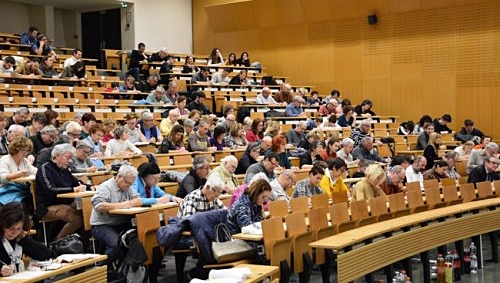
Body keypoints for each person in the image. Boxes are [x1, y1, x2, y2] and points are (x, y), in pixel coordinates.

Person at [90, 165, 142, 266]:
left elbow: (138, 199)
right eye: (127, 183)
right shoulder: (106, 187)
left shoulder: (128, 187)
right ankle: (99, 268)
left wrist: (131, 203)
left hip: (120, 223)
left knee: (139, 240)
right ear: (119, 177)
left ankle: (127, 271)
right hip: (102, 225)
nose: (129, 186)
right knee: (115, 245)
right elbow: (99, 205)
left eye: (131, 183)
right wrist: (121, 205)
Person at [35, 144, 86, 239]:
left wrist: (91, 187)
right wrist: (72, 189)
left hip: (65, 203)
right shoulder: (45, 168)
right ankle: (58, 243)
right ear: (57, 156)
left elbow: (77, 183)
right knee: (77, 219)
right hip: (46, 207)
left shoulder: (65, 169)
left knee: (86, 212)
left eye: (71, 158)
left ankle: (82, 243)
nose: (69, 161)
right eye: (68, 158)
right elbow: (50, 189)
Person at [0, 203, 55, 277]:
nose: (14, 232)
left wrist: (25, 241)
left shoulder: (19, 237)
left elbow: (46, 255)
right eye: (11, 228)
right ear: (2, 224)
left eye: (18, 228)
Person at [0, 136, 37, 209]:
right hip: (7, 190)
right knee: (23, 203)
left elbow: (35, 171)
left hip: (21, 190)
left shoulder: (25, 161)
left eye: (27, 151)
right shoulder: (5, 160)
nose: (26, 153)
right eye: (23, 150)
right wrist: (18, 174)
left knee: (35, 199)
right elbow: (2, 177)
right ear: (15, 149)